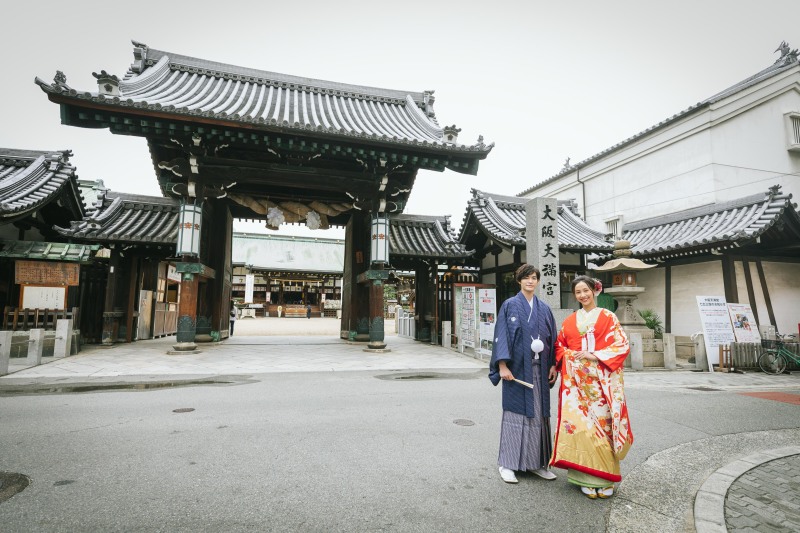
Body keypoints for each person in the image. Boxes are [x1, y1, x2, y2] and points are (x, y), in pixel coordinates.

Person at [551, 275, 633, 499]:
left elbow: (621, 345)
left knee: (603, 427)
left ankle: (605, 478)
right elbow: (559, 346)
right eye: (578, 292)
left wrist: (594, 355)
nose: (583, 296)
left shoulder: (608, 317)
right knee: (582, 427)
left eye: (586, 291)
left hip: (601, 384)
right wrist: (569, 356)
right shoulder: (570, 320)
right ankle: (585, 477)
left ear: (595, 290)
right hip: (576, 384)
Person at [489, 264, 559, 484]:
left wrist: (553, 365)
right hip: (517, 370)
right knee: (515, 415)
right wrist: (502, 366)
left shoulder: (544, 309)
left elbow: (553, 339)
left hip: (539, 369)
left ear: (538, 281)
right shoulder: (510, 305)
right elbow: (501, 335)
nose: (530, 281)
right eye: (526, 278)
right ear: (518, 281)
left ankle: (536, 463)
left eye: (534, 278)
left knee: (539, 415)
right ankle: (507, 464)